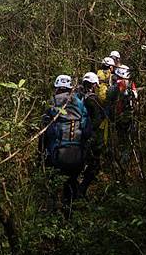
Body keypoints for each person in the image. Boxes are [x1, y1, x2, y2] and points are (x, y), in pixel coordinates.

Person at [40, 74, 90, 211]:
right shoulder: (79, 103)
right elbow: (87, 131)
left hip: (57, 155)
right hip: (77, 155)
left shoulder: (51, 103)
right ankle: (70, 212)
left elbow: (44, 132)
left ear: (56, 88)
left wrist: (40, 154)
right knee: (71, 183)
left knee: (53, 184)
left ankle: (53, 212)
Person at [77, 71, 107, 198]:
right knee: (94, 165)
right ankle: (81, 191)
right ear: (94, 85)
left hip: (76, 134)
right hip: (89, 136)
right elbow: (98, 119)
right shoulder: (92, 100)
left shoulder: (77, 96)